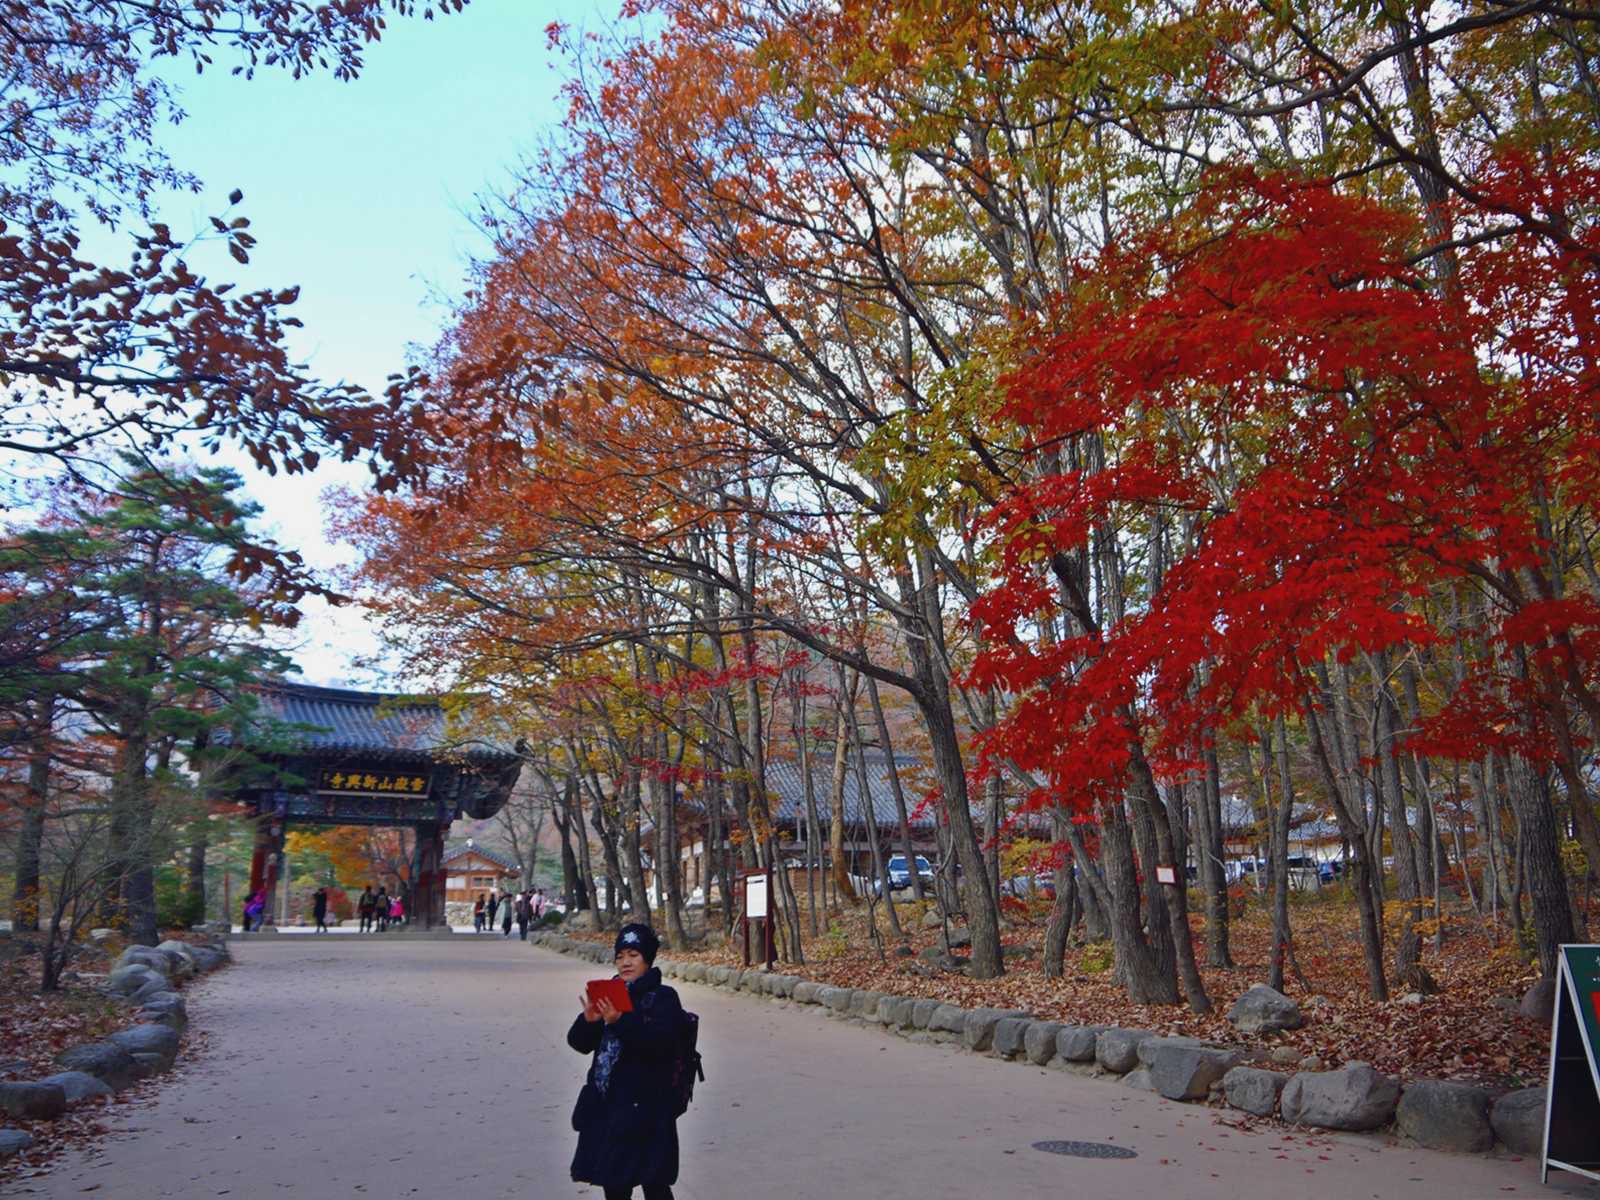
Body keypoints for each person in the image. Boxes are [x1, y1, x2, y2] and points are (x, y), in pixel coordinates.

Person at [566, 923, 683, 1200]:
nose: (625, 962)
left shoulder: (663, 998)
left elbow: (660, 1044)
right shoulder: (610, 993)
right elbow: (579, 1044)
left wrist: (620, 1021)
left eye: (633, 955)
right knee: (615, 1185)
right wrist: (588, 1022)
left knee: (654, 1184)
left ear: (648, 959)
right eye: (620, 956)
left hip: (649, 1110)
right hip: (610, 1110)